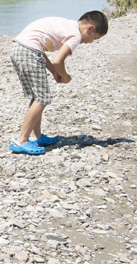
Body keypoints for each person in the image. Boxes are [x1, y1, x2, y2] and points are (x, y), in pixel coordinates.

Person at [9, 10, 108, 155]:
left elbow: (41, 51)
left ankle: (36, 136)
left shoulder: (67, 25)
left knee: (38, 97)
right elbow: (57, 60)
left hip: (20, 48)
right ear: (90, 28)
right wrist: (65, 76)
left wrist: (54, 72)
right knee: (42, 98)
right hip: (29, 52)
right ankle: (22, 140)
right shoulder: (75, 35)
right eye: (94, 38)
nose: (90, 42)